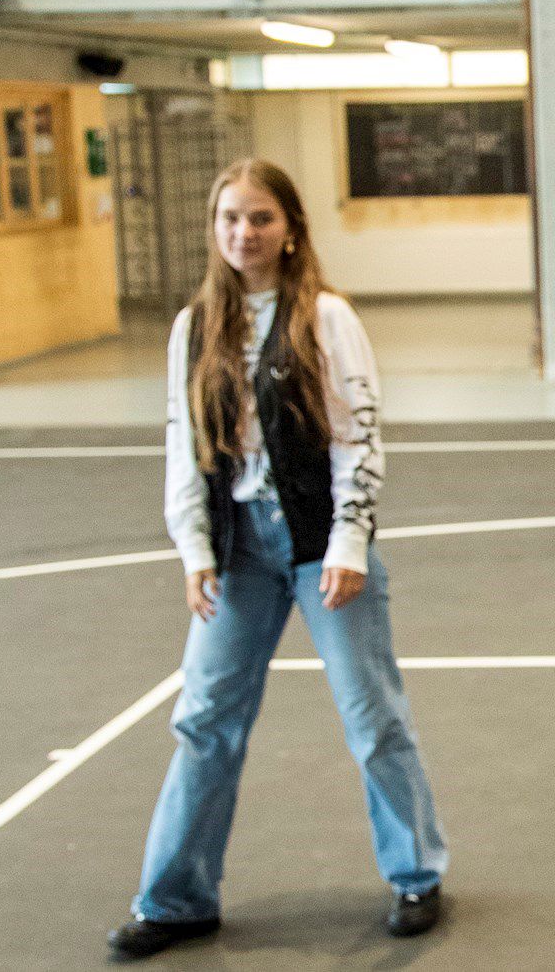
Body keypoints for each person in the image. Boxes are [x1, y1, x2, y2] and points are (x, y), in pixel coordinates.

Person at [107, 160, 448, 960]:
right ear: (214, 228)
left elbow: (359, 434)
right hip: (238, 551)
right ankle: (176, 898)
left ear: (291, 227)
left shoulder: (327, 316)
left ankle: (416, 874)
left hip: (318, 544)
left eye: (260, 217)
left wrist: (350, 540)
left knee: (372, 717)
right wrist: (194, 548)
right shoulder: (194, 326)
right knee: (204, 722)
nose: (244, 232)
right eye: (230, 217)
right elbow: (183, 441)